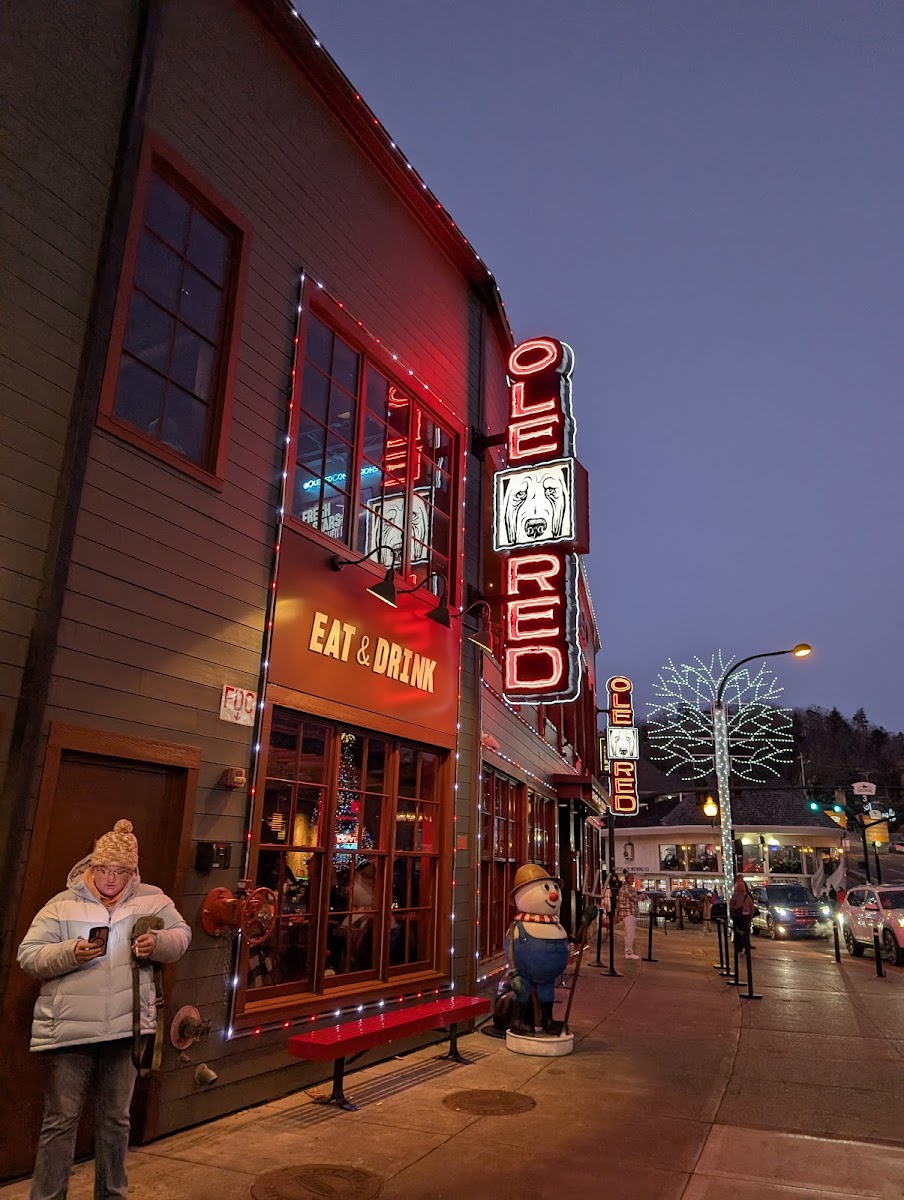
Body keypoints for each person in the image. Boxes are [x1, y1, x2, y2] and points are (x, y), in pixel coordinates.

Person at [17, 819, 190, 1200]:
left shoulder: (153, 899)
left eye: (120, 871)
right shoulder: (61, 905)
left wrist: (158, 942)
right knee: (60, 1122)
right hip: (68, 1030)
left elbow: (181, 937)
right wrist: (71, 952)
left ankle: (112, 1195)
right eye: (104, 869)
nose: (111, 879)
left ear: (133, 872)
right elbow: (28, 955)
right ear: (91, 866)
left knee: (116, 1120)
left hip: (125, 1029)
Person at [616, 872, 641, 960]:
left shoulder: (624, 887)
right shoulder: (627, 888)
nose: (633, 880)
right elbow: (634, 898)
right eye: (631, 878)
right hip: (629, 912)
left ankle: (628, 951)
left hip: (626, 913)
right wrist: (643, 896)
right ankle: (629, 952)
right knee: (630, 934)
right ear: (628, 879)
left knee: (628, 933)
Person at [729, 875, 756, 949]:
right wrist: (750, 916)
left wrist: (732, 914)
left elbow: (731, 906)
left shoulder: (734, 896)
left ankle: (739, 946)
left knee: (738, 931)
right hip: (746, 916)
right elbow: (752, 907)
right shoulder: (747, 896)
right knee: (746, 931)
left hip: (737, 916)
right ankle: (746, 945)